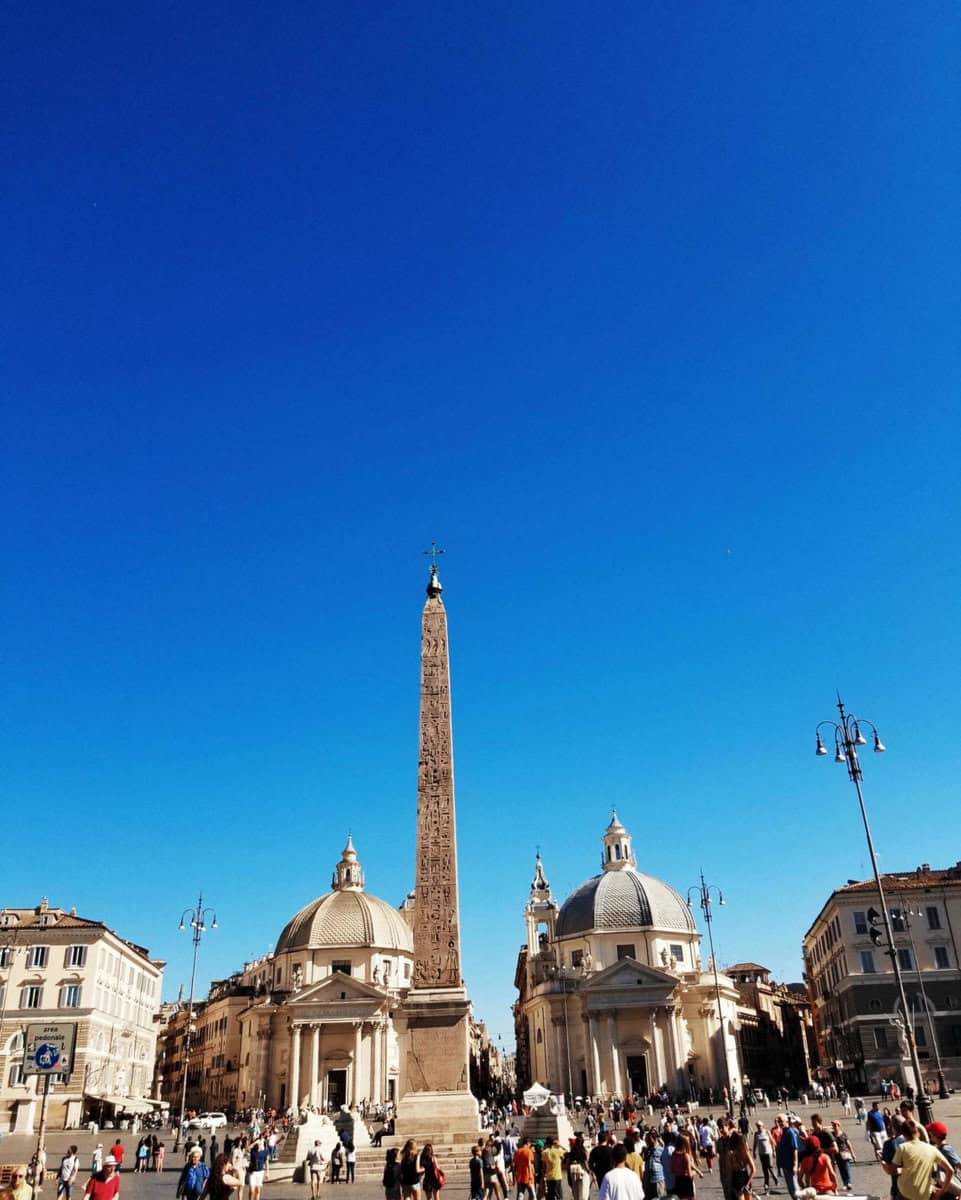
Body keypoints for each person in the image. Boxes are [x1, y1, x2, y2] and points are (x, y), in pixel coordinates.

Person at [885, 1120, 954, 1200]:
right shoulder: (932, 1149)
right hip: (924, 1195)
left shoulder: (902, 1148)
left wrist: (883, 1163)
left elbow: (891, 1170)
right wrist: (942, 1191)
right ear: (918, 1133)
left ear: (903, 1135)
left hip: (906, 1193)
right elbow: (950, 1170)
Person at [670, 1134, 703, 1200]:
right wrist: (694, 1172)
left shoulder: (673, 1154)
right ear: (685, 1144)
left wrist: (698, 1171)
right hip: (686, 1181)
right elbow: (690, 1174)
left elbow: (672, 1169)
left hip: (678, 1180)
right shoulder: (685, 1155)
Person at [774, 1118, 800, 1200]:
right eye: (779, 1122)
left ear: (787, 1122)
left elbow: (795, 1149)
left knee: (795, 1189)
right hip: (785, 1164)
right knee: (790, 1189)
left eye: (782, 1121)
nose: (780, 1123)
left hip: (790, 1165)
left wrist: (795, 1165)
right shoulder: (784, 1133)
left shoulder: (790, 1132)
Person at [830, 1121, 855, 1193]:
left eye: (835, 1125)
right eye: (833, 1125)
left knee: (846, 1168)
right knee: (841, 1169)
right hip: (837, 1154)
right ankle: (845, 1183)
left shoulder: (843, 1134)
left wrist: (853, 1153)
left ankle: (849, 1182)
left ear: (839, 1126)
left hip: (845, 1153)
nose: (834, 1126)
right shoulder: (832, 1135)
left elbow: (848, 1144)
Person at [728, 1133, 755, 1200]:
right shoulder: (733, 1154)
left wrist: (748, 1183)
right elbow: (753, 1170)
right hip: (741, 1177)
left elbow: (753, 1170)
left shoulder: (743, 1153)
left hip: (741, 1177)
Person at [752, 1124, 775, 1195]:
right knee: (765, 1170)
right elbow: (755, 1143)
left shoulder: (767, 1132)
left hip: (768, 1153)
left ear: (763, 1126)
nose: (759, 1127)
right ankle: (766, 1186)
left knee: (770, 1167)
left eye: (760, 1126)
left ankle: (774, 1177)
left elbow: (772, 1141)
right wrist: (754, 1152)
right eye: (757, 1126)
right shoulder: (756, 1134)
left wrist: (774, 1151)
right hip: (761, 1154)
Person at [641, 1133, 665, 1200]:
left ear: (655, 1139)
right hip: (648, 1179)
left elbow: (664, 1163)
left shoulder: (661, 1150)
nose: (647, 1141)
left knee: (659, 1197)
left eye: (649, 1140)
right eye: (647, 1140)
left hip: (658, 1178)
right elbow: (643, 1160)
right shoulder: (647, 1150)